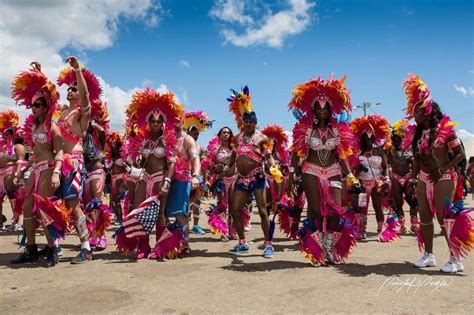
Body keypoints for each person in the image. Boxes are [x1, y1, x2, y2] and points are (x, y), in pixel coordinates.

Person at [288, 75, 359, 265]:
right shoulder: (305, 129)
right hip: (310, 171)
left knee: (335, 212)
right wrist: (292, 174)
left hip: (334, 170)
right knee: (317, 212)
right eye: (318, 108)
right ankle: (318, 252)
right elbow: (296, 152)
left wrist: (350, 174)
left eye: (325, 108)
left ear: (330, 110)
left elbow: (342, 155)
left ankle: (329, 248)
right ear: (313, 110)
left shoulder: (338, 130)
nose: (321, 111)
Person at [402, 74, 468, 273]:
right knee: (424, 217)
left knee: (444, 217)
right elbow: (417, 159)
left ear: (428, 110)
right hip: (423, 178)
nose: (415, 116)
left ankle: (455, 259)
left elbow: (461, 155)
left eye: (418, 112)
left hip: (444, 177)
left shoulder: (446, 130)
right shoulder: (417, 134)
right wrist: (412, 178)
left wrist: (443, 169)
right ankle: (429, 255)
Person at [10, 62, 64, 267]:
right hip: (36, 168)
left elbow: (59, 151)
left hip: (49, 168)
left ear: (46, 106)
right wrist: (23, 169)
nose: (34, 108)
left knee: (44, 208)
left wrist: (57, 172)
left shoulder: (52, 125)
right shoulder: (35, 125)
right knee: (26, 207)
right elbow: (35, 154)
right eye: (32, 105)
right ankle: (32, 249)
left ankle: (53, 249)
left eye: (38, 104)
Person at [117, 88, 181, 260]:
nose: (155, 124)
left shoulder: (167, 140)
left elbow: (172, 163)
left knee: (161, 214)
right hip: (144, 178)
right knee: (139, 211)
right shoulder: (143, 140)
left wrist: (167, 181)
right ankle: (143, 246)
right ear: (148, 122)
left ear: (163, 123)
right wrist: (136, 161)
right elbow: (137, 159)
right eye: (152, 121)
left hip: (160, 178)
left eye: (158, 122)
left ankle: (160, 248)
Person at [56, 56, 100, 264]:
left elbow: (84, 95)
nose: (71, 91)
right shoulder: (62, 112)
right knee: (52, 203)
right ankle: (53, 247)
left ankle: (86, 247)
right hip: (56, 162)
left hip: (73, 161)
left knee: (74, 204)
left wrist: (78, 71)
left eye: (74, 88)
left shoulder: (82, 114)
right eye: (69, 89)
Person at [226, 86, 279, 258]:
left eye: (251, 121)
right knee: (234, 210)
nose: (248, 123)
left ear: (256, 123)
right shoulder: (238, 138)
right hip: (241, 179)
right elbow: (233, 158)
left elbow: (269, 156)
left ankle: (268, 244)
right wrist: (225, 168)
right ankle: (242, 243)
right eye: (245, 121)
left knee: (263, 211)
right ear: (242, 121)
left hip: (257, 177)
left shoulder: (262, 138)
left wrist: (273, 166)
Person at [350, 115, 391, 239]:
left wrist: (386, 178)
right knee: (362, 207)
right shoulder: (357, 152)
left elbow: (385, 167)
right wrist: (359, 168)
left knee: (378, 206)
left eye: (372, 138)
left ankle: (381, 230)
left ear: (374, 139)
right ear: (362, 139)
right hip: (362, 184)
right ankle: (362, 230)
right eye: (367, 138)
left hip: (376, 183)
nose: (369, 140)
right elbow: (352, 172)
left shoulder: (379, 151)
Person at [82, 99, 111, 251]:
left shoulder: (98, 136)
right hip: (85, 172)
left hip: (97, 172)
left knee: (97, 204)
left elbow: (103, 133)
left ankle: (101, 236)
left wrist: (94, 125)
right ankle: (92, 234)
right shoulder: (82, 134)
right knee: (87, 205)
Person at [203, 127, 236, 241]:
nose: (226, 134)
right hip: (221, 180)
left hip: (233, 179)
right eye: (224, 132)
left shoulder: (234, 149)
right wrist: (215, 168)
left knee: (233, 206)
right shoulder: (215, 150)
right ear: (220, 135)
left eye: (228, 132)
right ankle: (224, 232)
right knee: (222, 205)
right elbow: (208, 165)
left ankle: (232, 231)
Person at [387, 119, 419, 234]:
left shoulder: (409, 150)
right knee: (398, 202)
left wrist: (414, 178)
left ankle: (414, 224)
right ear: (392, 139)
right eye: (396, 139)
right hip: (395, 178)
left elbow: (415, 163)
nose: (399, 141)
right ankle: (402, 225)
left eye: (401, 139)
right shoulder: (389, 150)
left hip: (407, 177)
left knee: (413, 201)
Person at [183, 111, 212, 235]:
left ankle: (195, 225)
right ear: (188, 132)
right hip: (183, 177)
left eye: (197, 134)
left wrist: (205, 179)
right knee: (184, 202)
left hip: (197, 178)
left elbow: (204, 165)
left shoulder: (201, 147)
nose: (196, 136)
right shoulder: (182, 143)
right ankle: (183, 226)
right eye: (194, 134)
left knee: (197, 202)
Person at [0, 110, 26, 230]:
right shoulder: (1, 146)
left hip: (10, 174)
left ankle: (16, 223)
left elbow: (20, 161)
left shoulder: (17, 146)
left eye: (9, 131)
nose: (6, 133)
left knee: (14, 198)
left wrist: (17, 174)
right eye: (4, 131)